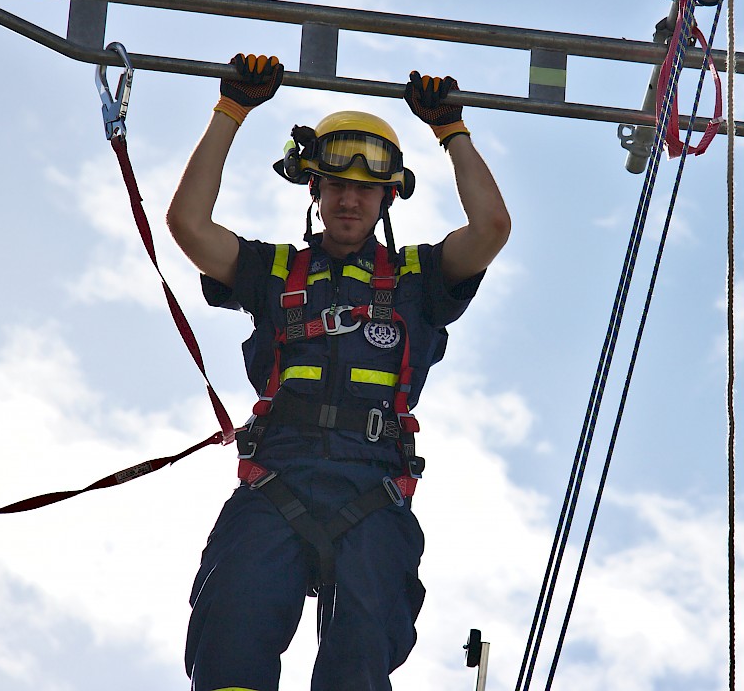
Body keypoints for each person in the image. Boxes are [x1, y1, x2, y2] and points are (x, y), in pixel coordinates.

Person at [167, 53, 510, 691]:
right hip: (277, 476)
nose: (349, 199)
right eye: (335, 186)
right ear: (314, 191)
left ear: (387, 196)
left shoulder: (417, 278)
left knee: (362, 651)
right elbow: (187, 224)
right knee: (231, 630)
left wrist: (451, 130)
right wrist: (231, 110)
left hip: (373, 485)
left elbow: (491, 228)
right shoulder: (274, 271)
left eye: (365, 189)